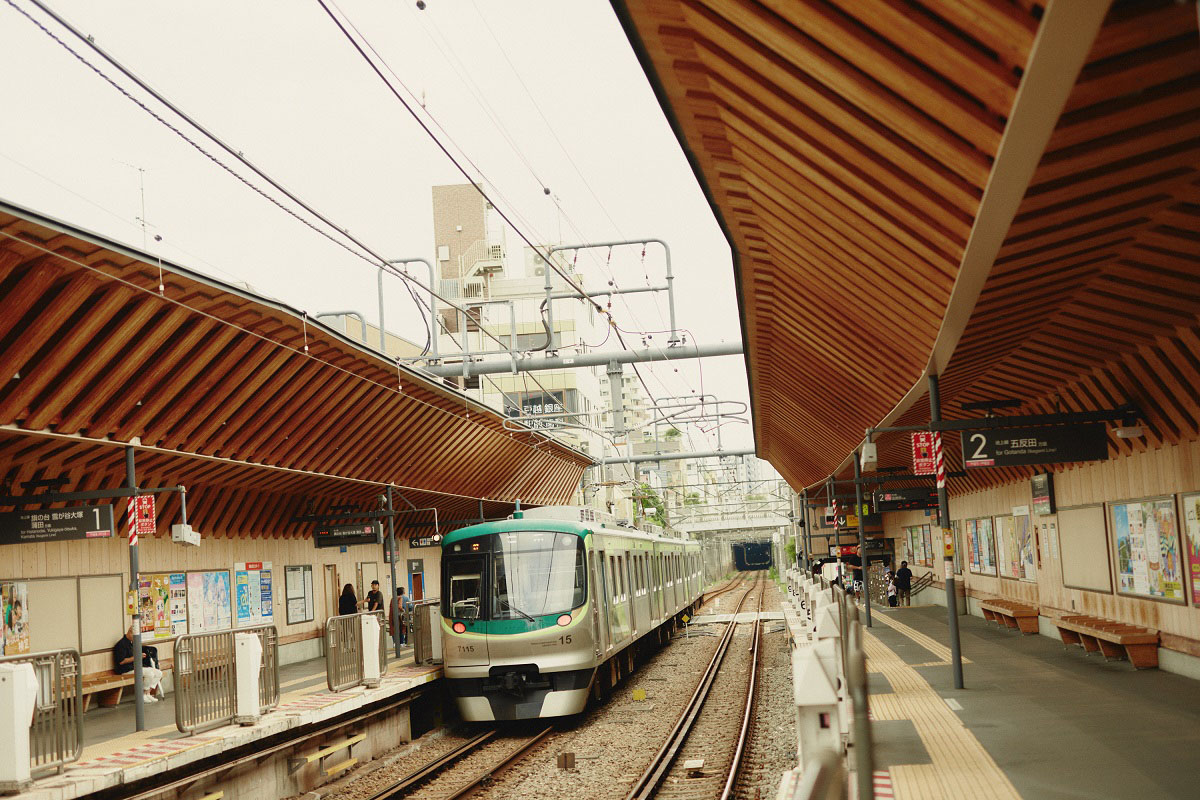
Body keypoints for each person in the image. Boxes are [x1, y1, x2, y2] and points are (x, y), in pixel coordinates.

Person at [113, 625, 163, 702]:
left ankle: (147, 693)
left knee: (158, 673)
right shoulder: (121, 645)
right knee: (149, 673)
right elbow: (121, 661)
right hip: (125, 670)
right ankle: (142, 695)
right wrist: (136, 657)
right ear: (130, 633)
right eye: (135, 636)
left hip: (134, 668)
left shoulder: (131, 643)